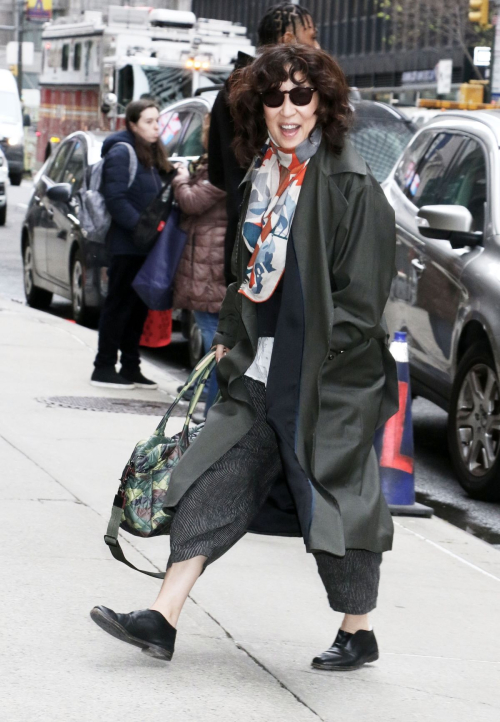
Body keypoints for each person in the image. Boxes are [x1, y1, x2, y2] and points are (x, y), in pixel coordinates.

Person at [91, 44, 399, 673]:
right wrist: (234, 333)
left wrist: (325, 364)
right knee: (218, 475)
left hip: (324, 374)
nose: (287, 109)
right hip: (260, 366)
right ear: (257, 106)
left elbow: (363, 299)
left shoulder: (348, 183)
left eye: (301, 95)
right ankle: (163, 615)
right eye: (273, 96)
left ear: (324, 104)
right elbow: (244, 271)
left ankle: (359, 629)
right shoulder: (264, 171)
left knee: (334, 496)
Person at [208, 3, 319, 285]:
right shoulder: (288, 95)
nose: (317, 46)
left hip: (243, 243)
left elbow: (217, 174)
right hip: (284, 247)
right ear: (288, 40)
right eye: (312, 36)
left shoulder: (227, 91)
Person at [91, 99, 174, 390]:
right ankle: (103, 366)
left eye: (157, 121)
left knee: (137, 309)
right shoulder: (122, 151)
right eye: (149, 121)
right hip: (127, 245)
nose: (156, 127)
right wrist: (141, 227)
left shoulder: (151, 152)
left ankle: (130, 366)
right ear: (133, 124)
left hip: (145, 245)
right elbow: (116, 199)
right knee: (118, 306)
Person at [172, 113, 227, 414]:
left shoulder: (223, 167)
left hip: (211, 261)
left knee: (214, 342)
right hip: (207, 258)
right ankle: (208, 401)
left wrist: (180, 177)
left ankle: (211, 413)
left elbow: (192, 201)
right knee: (213, 339)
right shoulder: (216, 163)